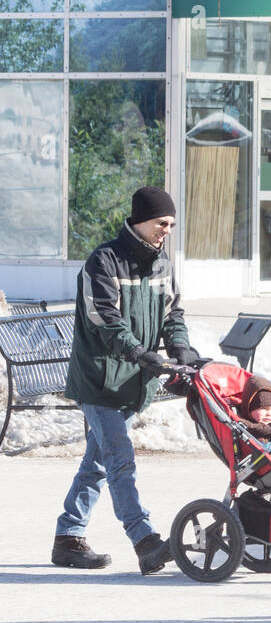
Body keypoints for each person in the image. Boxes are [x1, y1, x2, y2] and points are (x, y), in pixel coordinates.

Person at [54, 186, 199, 575]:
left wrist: (181, 347)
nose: (166, 231)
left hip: (135, 383)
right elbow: (105, 320)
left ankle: (68, 536)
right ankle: (145, 540)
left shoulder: (163, 266)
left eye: (170, 225)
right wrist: (140, 353)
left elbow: (174, 315)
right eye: (160, 223)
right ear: (139, 220)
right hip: (100, 380)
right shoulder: (103, 261)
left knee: (98, 462)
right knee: (120, 460)